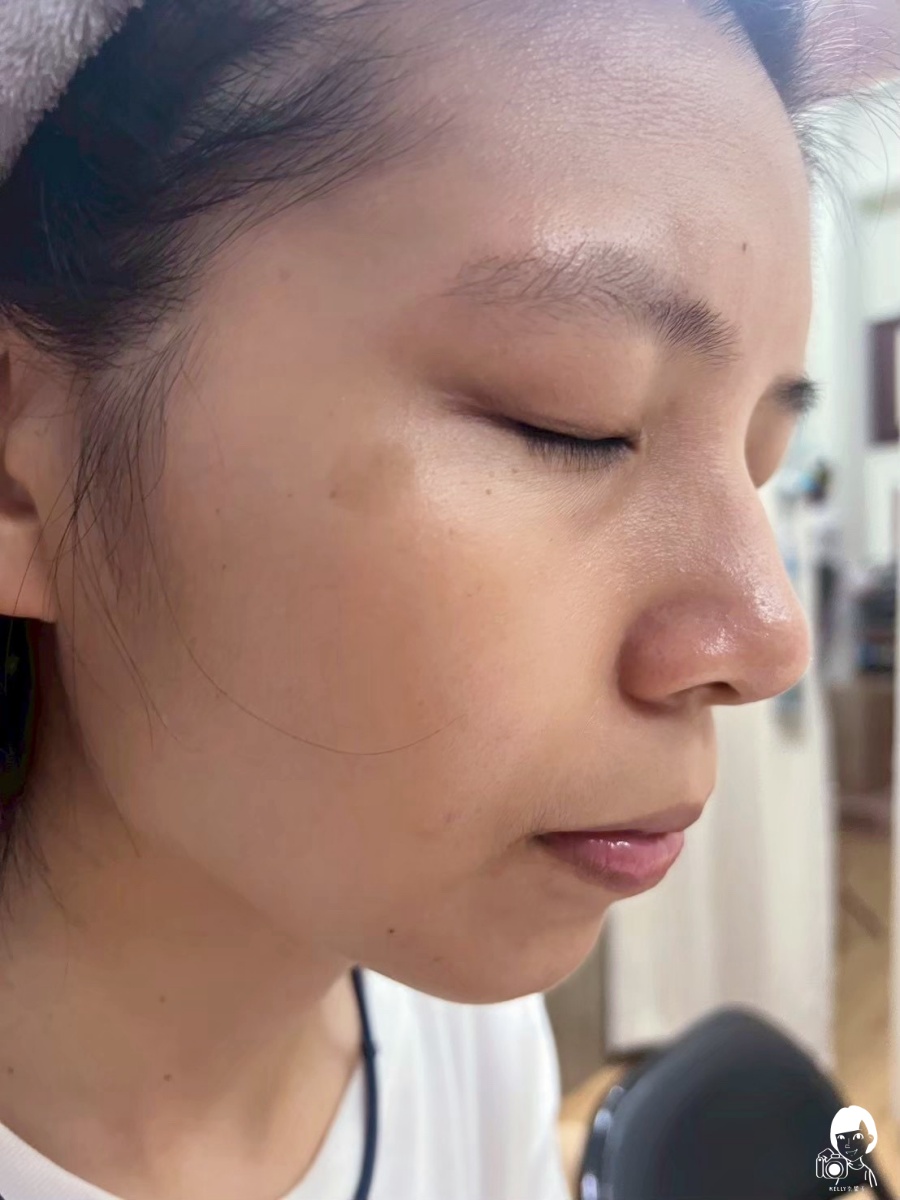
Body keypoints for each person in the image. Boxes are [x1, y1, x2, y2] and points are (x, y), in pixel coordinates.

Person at [0, 1, 874, 1198]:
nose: (770, 640)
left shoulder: (466, 1037)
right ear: (19, 469)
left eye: (758, 464)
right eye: (572, 420)